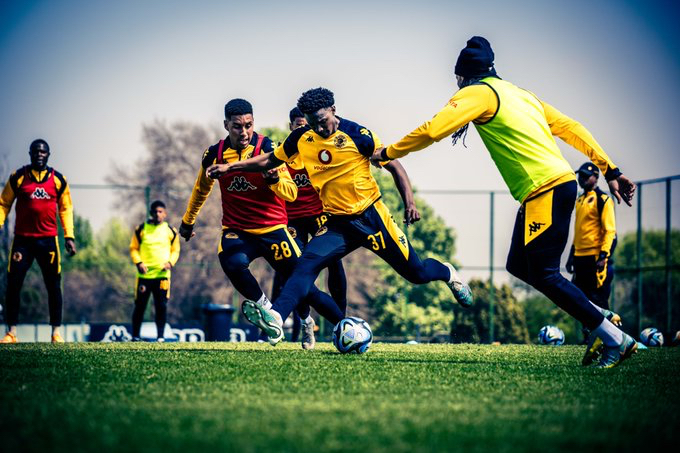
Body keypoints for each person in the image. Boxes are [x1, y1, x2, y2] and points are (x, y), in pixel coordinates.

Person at [370, 36, 637, 368]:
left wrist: (388, 152)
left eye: (457, 79)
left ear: (463, 74)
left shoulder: (477, 93)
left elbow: (433, 129)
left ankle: (615, 339)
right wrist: (610, 168)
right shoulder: (520, 94)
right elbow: (572, 128)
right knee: (518, 265)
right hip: (551, 187)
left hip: (546, 189)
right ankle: (598, 312)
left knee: (545, 274)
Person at [206, 88, 472, 345]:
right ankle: (276, 317)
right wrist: (230, 166)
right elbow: (268, 160)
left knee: (417, 273)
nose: (318, 129)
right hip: (337, 224)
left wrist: (409, 202)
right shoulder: (301, 138)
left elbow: (394, 165)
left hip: (372, 218)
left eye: (322, 121)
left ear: (333, 110)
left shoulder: (358, 134)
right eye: (312, 124)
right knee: (303, 267)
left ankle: (447, 272)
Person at [179, 98, 344, 345]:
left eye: (248, 125)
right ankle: (267, 310)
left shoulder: (269, 149)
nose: (244, 132)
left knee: (306, 288)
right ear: (226, 125)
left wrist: (274, 180)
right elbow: (201, 189)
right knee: (231, 261)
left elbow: (291, 192)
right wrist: (188, 221)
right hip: (238, 231)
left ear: (253, 122)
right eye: (237, 126)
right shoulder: (214, 154)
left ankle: (338, 324)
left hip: (274, 230)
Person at [272, 107, 423, 349]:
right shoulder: (291, 149)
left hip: (324, 215)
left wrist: (408, 201)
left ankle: (340, 321)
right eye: (300, 126)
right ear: (292, 127)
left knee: (335, 265)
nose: (306, 130)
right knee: (297, 269)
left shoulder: (331, 143)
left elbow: (373, 164)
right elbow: (284, 189)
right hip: (294, 218)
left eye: (307, 124)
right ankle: (303, 320)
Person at [0, 139, 77, 344]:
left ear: (48, 155)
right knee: (14, 284)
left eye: (43, 152)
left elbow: (66, 208)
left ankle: (56, 333)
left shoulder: (58, 180)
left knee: (53, 286)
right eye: (36, 152)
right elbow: (3, 203)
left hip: (48, 241)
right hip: (22, 242)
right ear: (30, 154)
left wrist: (69, 236)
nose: (39, 155)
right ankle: (11, 333)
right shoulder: (18, 177)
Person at [566, 162, 617, 343]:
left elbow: (610, 230)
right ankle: (588, 337)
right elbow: (579, 231)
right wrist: (572, 255)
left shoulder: (603, 199)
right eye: (580, 176)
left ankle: (609, 338)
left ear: (596, 177)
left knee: (598, 300)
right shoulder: (579, 200)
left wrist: (604, 255)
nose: (582, 179)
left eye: (586, 176)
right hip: (580, 257)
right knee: (580, 299)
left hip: (595, 258)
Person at [129, 200, 180, 342]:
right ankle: (135, 336)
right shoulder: (141, 229)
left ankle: (161, 337)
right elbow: (133, 248)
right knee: (140, 306)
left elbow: (175, 250)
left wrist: (170, 262)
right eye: (155, 211)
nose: (158, 214)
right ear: (151, 213)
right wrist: (138, 262)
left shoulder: (171, 231)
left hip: (162, 276)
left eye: (160, 211)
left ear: (165, 214)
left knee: (161, 306)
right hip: (144, 276)